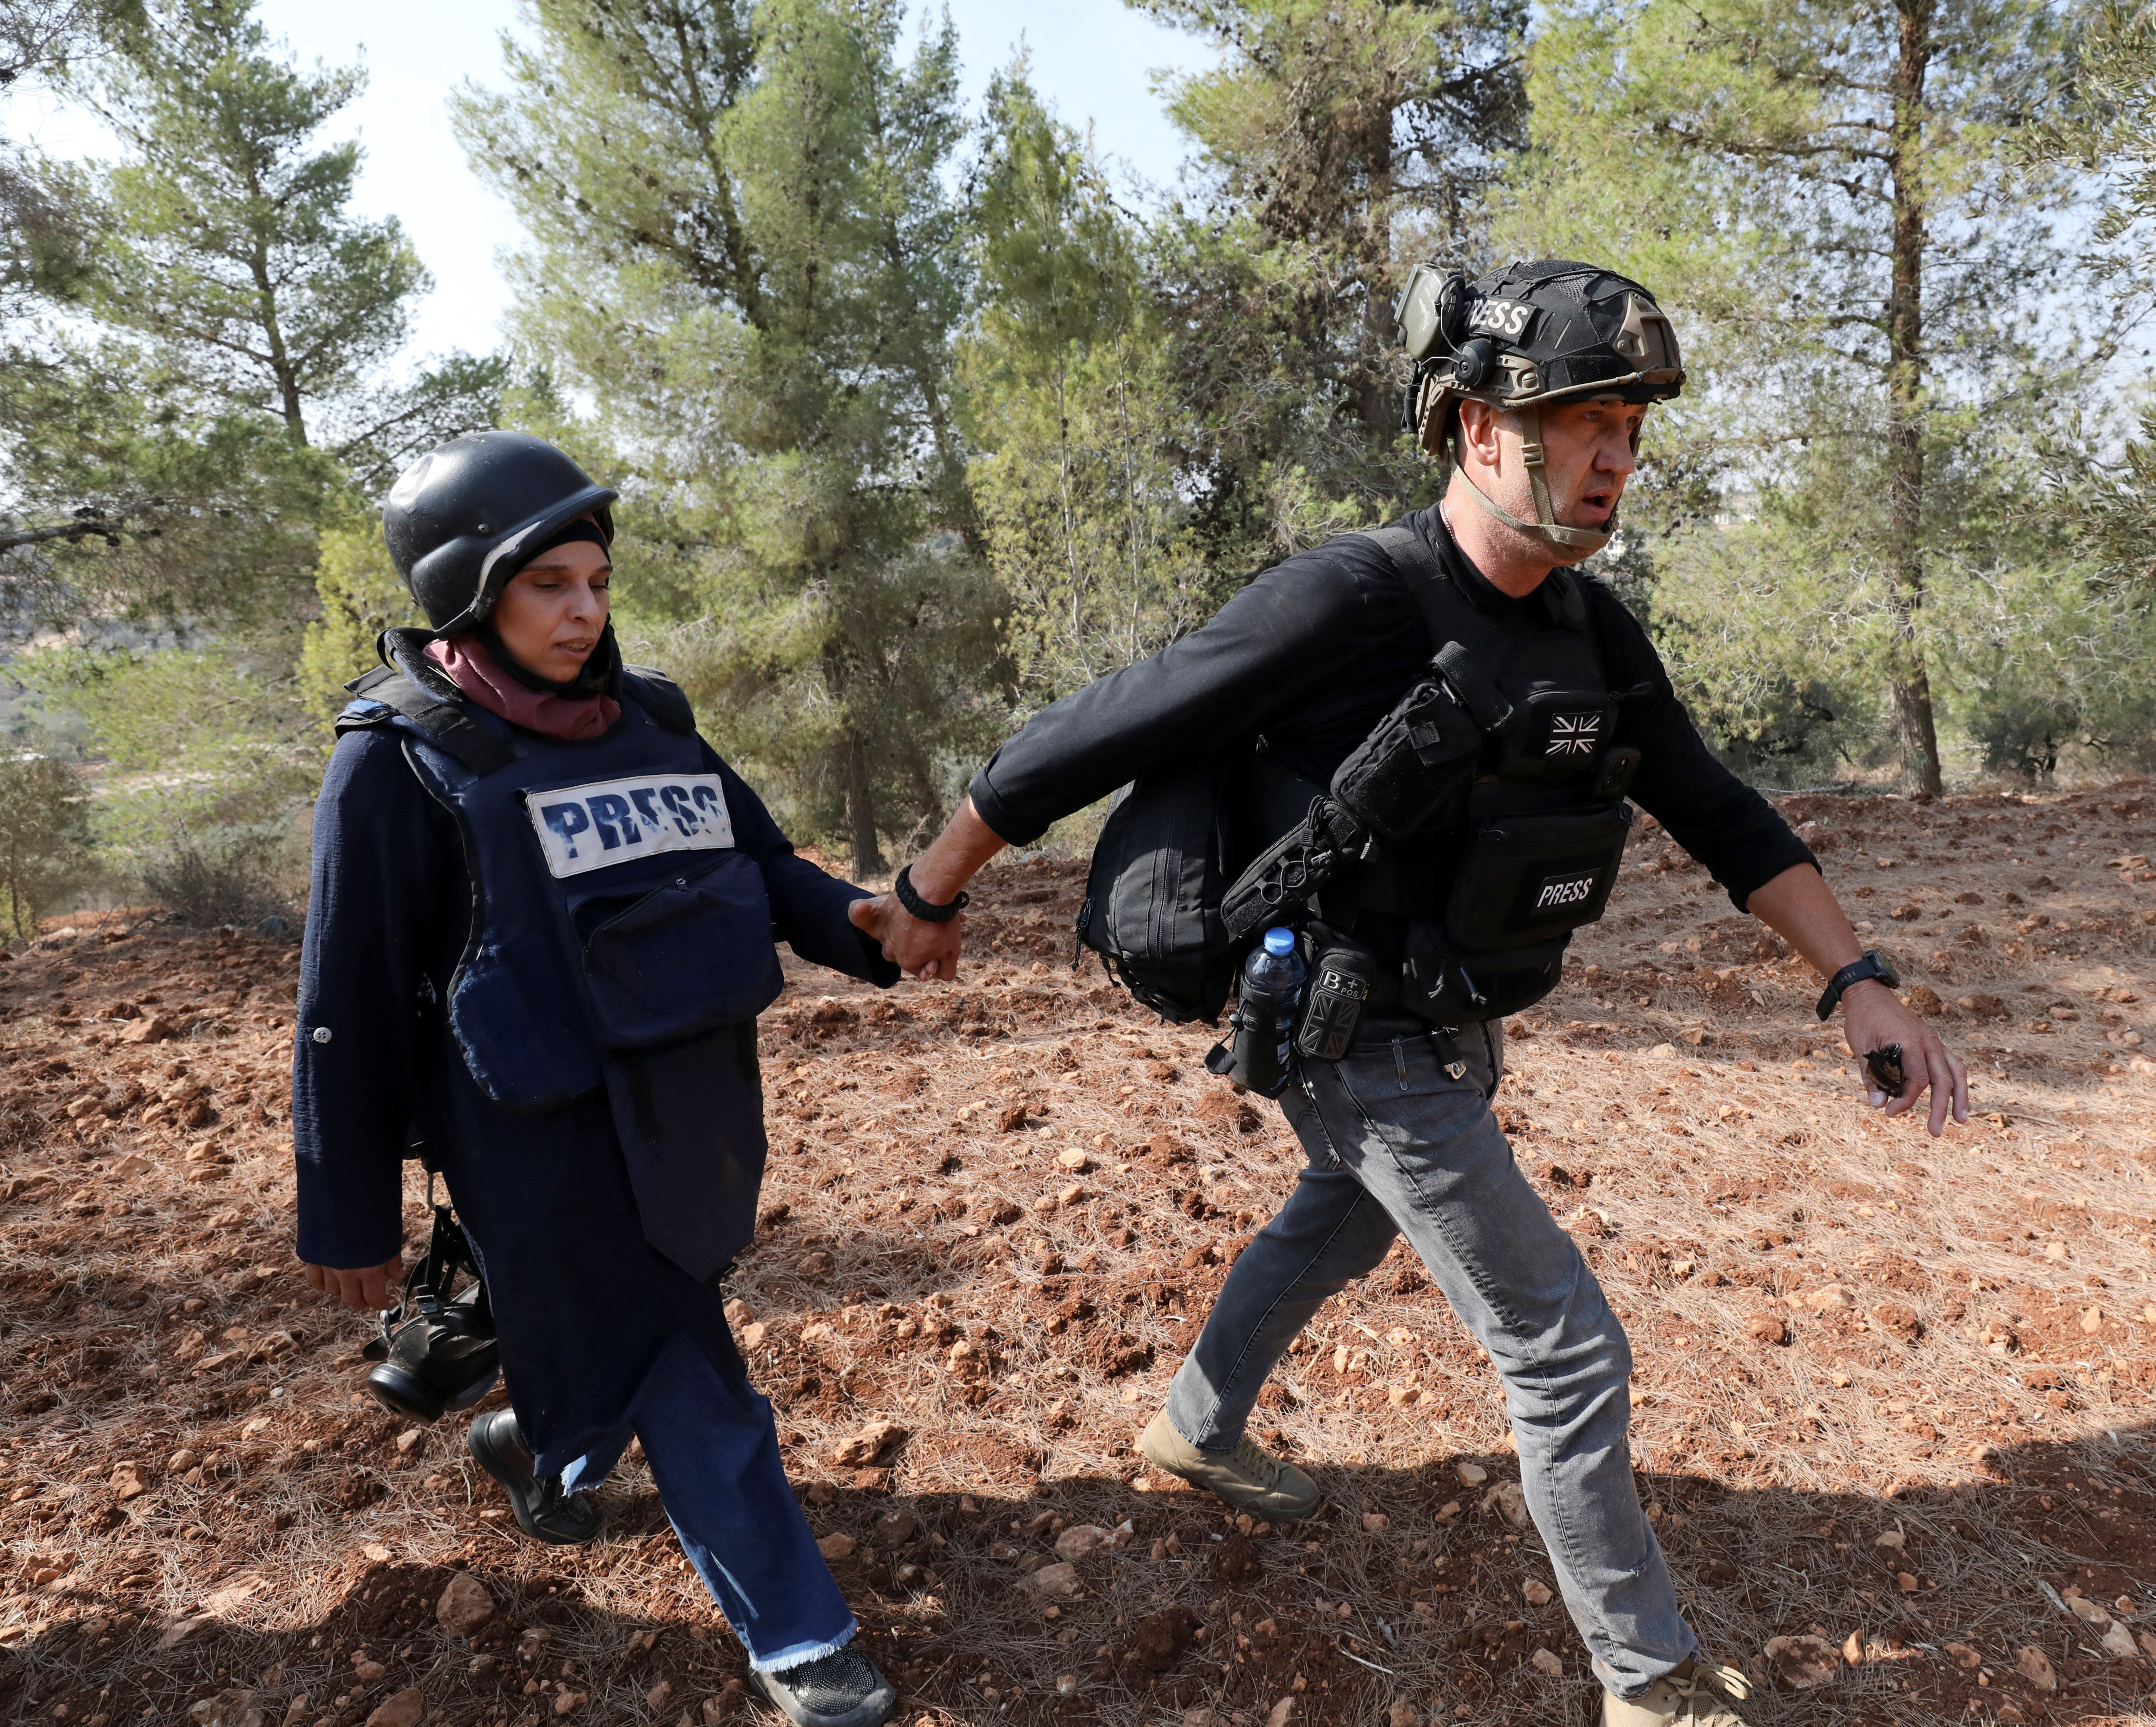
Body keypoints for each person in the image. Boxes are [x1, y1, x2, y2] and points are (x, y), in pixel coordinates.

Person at [858, 261, 1971, 1726]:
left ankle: (1195, 1428)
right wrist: (933, 892)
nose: (1615, 461)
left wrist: (1859, 987)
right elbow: (1090, 731)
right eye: (1581, 425)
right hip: (1343, 1030)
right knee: (1565, 1348)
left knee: (1342, 1212)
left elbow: (1720, 812)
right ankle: (1652, 1687)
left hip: (1450, 1018)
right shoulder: (1351, 596)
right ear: (1472, 428)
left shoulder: (1591, 632)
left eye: (1628, 431)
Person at [293, 431, 905, 1727]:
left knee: (628, 1324)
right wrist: (345, 1212)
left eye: (596, 581)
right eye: (548, 587)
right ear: (471, 595)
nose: (585, 614)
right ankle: (801, 1636)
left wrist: (864, 922)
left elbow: (757, 860)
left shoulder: (650, 719)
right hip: (529, 1128)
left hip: (689, 1100)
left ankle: (534, 1446)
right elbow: (342, 1006)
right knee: (689, 1361)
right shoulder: (400, 761)